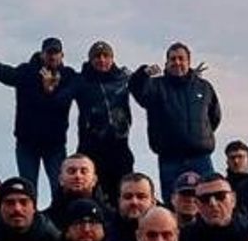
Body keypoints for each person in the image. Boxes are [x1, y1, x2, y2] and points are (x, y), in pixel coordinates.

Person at [0, 36, 80, 200]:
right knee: (27, 190)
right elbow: (5, 73)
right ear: (42, 54)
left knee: (59, 189)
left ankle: (59, 223)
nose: (52, 56)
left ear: (62, 55)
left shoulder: (69, 76)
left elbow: (76, 90)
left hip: (55, 145)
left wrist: (50, 91)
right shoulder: (26, 72)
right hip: (27, 144)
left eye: (56, 53)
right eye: (49, 53)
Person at [128, 42, 222, 199]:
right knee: (173, 201)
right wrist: (143, 74)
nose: (177, 62)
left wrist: (200, 134)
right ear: (167, 63)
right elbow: (136, 89)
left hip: (200, 157)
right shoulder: (156, 86)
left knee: (207, 198)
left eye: (181, 58)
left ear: (188, 62)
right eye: (173, 59)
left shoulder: (204, 87)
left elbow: (215, 116)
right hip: (170, 158)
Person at [74, 40, 134, 204]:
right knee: (93, 198)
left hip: (120, 146)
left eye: (105, 56)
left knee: (123, 195)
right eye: (97, 57)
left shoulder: (123, 77)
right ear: (90, 60)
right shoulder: (81, 81)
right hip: (91, 147)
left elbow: (146, 88)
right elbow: (58, 98)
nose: (101, 60)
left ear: (112, 58)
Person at [179, 173, 248, 241]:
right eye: (205, 198)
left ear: (233, 199)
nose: (213, 203)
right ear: (197, 204)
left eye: (220, 196)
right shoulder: (185, 239)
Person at [41, 155, 114, 229]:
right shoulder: (44, 221)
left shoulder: (112, 219)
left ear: (94, 180)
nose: (78, 176)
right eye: (71, 171)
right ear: (60, 179)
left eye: (84, 172)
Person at [113, 173, 158, 241]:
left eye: (141, 197)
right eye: (128, 197)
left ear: (153, 202)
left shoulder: (166, 233)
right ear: (119, 201)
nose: (134, 202)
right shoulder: (104, 234)